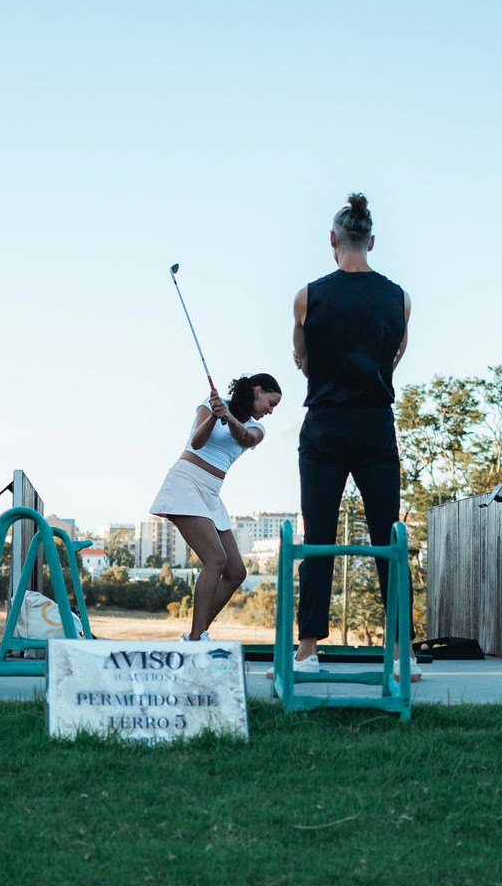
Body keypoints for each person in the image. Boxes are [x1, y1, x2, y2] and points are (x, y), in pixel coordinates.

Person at [290, 192, 420, 682]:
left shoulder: (308, 295)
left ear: (333, 240)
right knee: (389, 535)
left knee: (318, 536)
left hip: (324, 422)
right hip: (374, 424)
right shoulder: (399, 297)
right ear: (372, 241)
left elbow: (300, 356)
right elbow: (394, 359)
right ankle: (402, 653)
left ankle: (307, 652)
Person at [150, 375, 282, 642]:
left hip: (211, 493)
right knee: (216, 560)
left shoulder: (258, 429)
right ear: (258, 391)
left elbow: (244, 436)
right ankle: (197, 637)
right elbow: (196, 443)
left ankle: (196, 634)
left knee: (236, 572)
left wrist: (228, 418)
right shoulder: (211, 404)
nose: (271, 410)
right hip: (186, 481)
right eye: (271, 402)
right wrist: (214, 415)